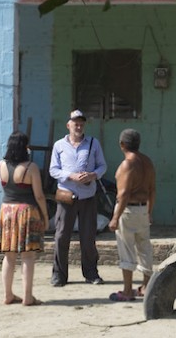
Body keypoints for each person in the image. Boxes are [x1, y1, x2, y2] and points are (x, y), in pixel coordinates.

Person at [49, 109, 108, 287]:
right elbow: (53, 170)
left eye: (81, 123)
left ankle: (91, 273)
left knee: (88, 237)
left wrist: (93, 175)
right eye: (75, 123)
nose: (79, 126)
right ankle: (59, 275)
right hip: (66, 196)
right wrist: (70, 176)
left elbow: (102, 166)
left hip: (88, 196)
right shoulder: (59, 145)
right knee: (61, 236)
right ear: (69, 125)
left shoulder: (93, 143)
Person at [0, 131, 50, 306]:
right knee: (28, 257)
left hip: (7, 211)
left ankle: (8, 294)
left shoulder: (1, 165)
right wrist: (45, 216)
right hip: (27, 212)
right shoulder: (31, 167)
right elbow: (39, 196)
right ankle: (28, 296)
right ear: (25, 147)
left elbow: (5, 188)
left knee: (8, 257)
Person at [108, 128, 156, 302]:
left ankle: (127, 291)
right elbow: (152, 190)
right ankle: (146, 287)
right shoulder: (148, 162)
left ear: (122, 145)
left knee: (126, 249)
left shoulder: (127, 164)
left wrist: (115, 218)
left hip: (127, 210)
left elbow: (123, 194)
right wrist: (149, 212)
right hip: (143, 209)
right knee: (144, 249)